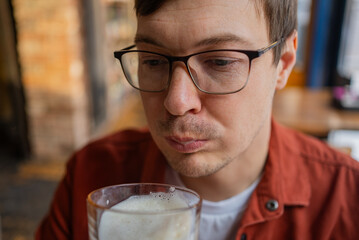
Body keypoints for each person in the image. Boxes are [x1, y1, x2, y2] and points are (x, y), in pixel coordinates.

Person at [36, 0, 359, 239]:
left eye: (219, 62)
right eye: (152, 61)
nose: (176, 102)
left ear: (284, 63)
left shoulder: (346, 200)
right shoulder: (91, 175)